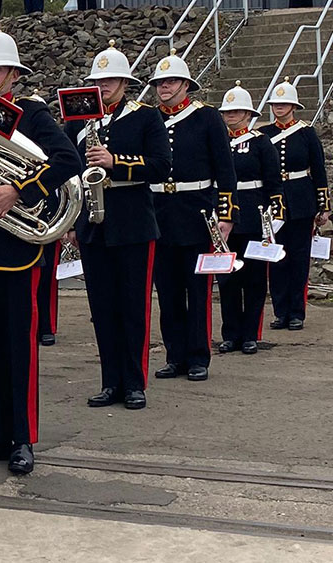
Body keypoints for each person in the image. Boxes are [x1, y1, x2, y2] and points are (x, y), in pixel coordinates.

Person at [0, 21, 80, 474]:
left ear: (14, 75)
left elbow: (68, 159)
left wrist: (19, 191)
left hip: (15, 246)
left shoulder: (31, 114)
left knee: (18, 349)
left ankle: (23, 439)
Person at [63, 41, 170, 409]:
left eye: (110, 80)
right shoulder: (79, 118)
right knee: (103, 308)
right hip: (92, 224)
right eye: (98, 80)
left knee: (133, 306)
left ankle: (134, 383)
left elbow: (161, 166)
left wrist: (115, 161)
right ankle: (110, 382)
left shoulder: (146, 117)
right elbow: (67, 169)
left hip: (132, 221)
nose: (103, 85)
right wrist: (71, 222)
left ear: (125, 83)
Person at [148, 50, 237, 383]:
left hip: (197, 212)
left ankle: (199, 356)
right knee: (168, 291)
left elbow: (225, 169)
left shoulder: (207, 117)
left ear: (186, 84)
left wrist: (226, 214)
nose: (164, 87)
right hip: (159, 213)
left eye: (171, 81)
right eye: (160, 82)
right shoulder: (150, 118)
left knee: (197, 292)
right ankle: (175, 355)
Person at [217, 82, 283, 354]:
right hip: (224, 216)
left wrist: (275, 213)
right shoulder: (218, 141)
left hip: (253, 214)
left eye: (236, 111)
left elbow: (273, 181)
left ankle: (250, 334)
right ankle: (230, 333)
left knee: (254, 279)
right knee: (228, 278)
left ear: (248, 114)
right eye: (227, 111)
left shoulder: (260, 142)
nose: (230, 115)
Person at [259, 78, 330, 331]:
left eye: (284, 103)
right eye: (276, 103)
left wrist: (323, 206)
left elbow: (319, 170)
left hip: (301, 199)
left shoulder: (306, 133)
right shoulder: (265, 134)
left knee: (299, 258)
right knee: (276, 256)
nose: (279, 107)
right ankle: (280, 311)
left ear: (293, 106)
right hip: (273, 201)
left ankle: (297, 312)